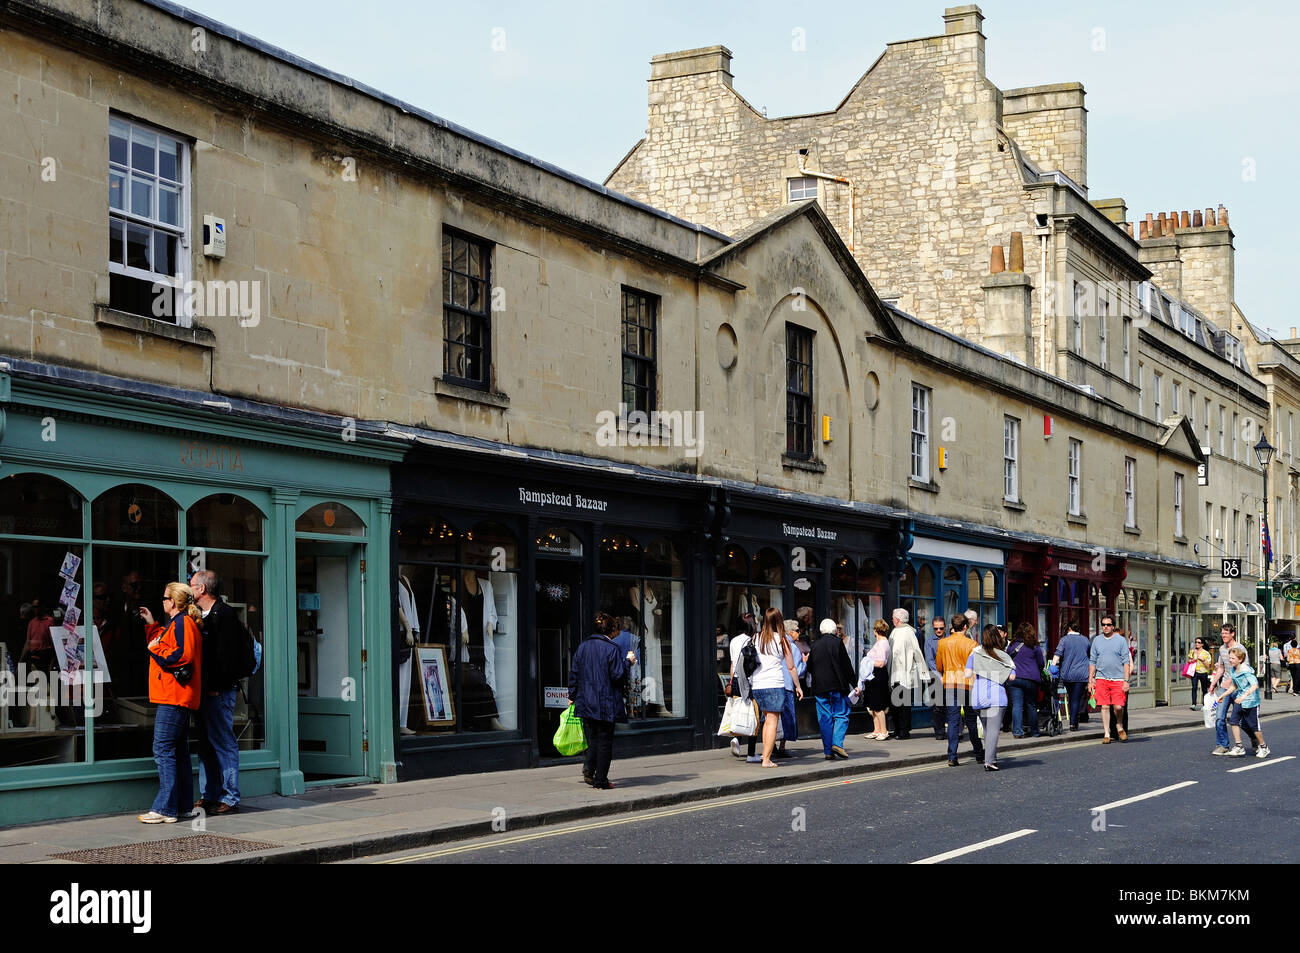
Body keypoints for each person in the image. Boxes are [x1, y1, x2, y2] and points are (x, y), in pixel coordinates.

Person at [136, 582, 203, 823]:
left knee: (163, 750)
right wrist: (152, 625)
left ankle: (165, 809)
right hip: (177, 696)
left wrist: (153, 647)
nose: (163, 601)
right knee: (178, 752)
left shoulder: (182, 622)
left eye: (164, 598)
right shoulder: (179, 623)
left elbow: (178, 655)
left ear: (173, 602)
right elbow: (167, 645)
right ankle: (182, 806)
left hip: (174, 696)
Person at [189, 570, 243, 816]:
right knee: (206, 745)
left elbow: (228, 659)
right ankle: (209, 794)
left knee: (223, 743)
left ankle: (230, 797)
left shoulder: (225, 615)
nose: (189, 590)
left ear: (202, 589)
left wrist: (215, 687)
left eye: (192, 585)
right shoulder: (201, 615)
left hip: (218, 692)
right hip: (204, 691)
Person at [568, 611, 633, 789]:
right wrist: (628, 662)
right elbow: (618, 677)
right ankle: (601, 780)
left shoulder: (582, 647)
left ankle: (589, 769)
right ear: (611, 630)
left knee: (593, 738)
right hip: (605, 702)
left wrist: (572, 696)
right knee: (605, 741)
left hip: (586, 701)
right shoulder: (612, 649)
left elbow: (574, 673)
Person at [749, 608, 804, 767]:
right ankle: (766, 759)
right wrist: (798, 686)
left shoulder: (756, 637)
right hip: (774, 684)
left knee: (767, 721)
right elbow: (791, 667)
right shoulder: (782, 640)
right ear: (779, 621)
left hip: (758, 685)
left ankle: (765, 754)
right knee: (772, 722)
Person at [936, 614, 983, 767]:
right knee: (971, 720)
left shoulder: (943, 643)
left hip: (950, 684)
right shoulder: (972, 644)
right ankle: (979, 754)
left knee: (953, 721)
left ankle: (952, 756)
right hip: (967, 684)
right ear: (965, 627)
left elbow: (939, 667)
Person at [966, 624, 1015, 771]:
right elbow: (1012, 677)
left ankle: (991, 758)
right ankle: (989, 762)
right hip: (996, 698)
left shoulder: (975, 653)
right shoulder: (1003, 655)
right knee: (993, 731)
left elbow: (967, 674)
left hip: (978, 697)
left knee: (987, 730)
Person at [807, 618, 854, 759]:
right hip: (837, 685)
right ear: (834, 630)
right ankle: (837, 744)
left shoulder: (814, 645)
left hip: (820, 687)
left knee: (825, 718)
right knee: (841, 714)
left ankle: (828, 751)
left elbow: (809, 667)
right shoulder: (838, 642)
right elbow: (846, 666)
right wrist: (855, 683)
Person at [1089, 615, 1132, 744]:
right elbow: (1092, 660)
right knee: (1105, 707)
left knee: (1118, 707)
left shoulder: (1120, 640)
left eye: (1108, 624)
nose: (1105, 627)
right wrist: (1090, 679)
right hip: (1101, 678)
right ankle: (1107, 733)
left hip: (1118, 679)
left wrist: (1126, 681)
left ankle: (1119, 725)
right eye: (1103, 624)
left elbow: (1126, 662)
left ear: (1113, 626)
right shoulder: (1096, 640)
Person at [888, 608, 928, 740]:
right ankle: (897, 729)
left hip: (905, 673)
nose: (892, 619)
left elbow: (917, 652)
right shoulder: (894, 631)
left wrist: (923, 673)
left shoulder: (909, 632)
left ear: (898, 619)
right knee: (895, 705)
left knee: (904, 705)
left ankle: (904, 731)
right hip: (894, 673)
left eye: (893, 617)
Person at [1222, 646, 1269, 759]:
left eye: (1233, 658)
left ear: (1240, 659)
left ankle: (1263, 747)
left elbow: (1255, 685)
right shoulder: (1233, 670)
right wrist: (1223, 695)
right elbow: (1234, 685)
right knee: (1233, 721)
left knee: (1254, 726)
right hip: (1240, 700)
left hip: (1251, 701)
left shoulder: (1246, 671)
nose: (1230, 660)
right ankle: (1239, 747)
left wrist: (1243, 696)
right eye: (1230, 658)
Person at [728, 618, 761, 763]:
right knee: (753, 715)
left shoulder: (734, 640)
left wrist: (731, 681)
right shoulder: (751, 641)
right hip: (749, 681)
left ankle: (736, 737)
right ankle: (751, 754)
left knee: (739, 711)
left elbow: (732, 663)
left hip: (735, 678)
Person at [1208, 624, 1243, 756]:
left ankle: (1255, 740)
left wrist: (1233, 680)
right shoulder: (1222, 649)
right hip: (1224, 688)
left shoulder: (1240, 649)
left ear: (1232, 634)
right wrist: (1213, 684)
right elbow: (1221, 668)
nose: (1223, 636)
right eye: (1222, 633)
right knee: (1219, 717)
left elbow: (1247, 670)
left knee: (1245, 720)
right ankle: (1223, 745)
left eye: (1226, 633)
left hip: (1239, 689)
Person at [1051, 619, 1090, 731]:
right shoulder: (1085, 640)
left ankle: (1073, 720)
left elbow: (1057, 655)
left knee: (1071, 697)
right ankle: (1073, 722)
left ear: (1068, 628)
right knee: (1076, 699)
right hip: (1082, 674)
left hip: (1067, 674)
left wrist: (1052, 668)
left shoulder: (1064, 640)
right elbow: (1090, 655)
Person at [776, 618, 807, 759]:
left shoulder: (777, 642)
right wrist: (805, 662)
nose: (799, 633)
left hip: (774, 684)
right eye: (797, 630)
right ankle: (781, 748)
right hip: (787, 686)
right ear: (790, 631)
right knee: (787, 718)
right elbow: (797, 670)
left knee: (773, 718)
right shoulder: (793, 647)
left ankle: (770, 747)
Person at [860, 618, 892, 740]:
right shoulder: (880, 643)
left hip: (878, 676)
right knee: (873, 705)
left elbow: (881, 663)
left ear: (875, 631)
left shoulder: (882, 643)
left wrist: (867, 661)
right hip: (874, 676)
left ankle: (883, 731)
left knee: (878, 705)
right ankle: (876, 730)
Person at [925, 616, 947, 740]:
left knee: (951, 705)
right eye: (936, 628)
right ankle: (939, 732)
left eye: (941, 628)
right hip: (935, 676)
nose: (938, 630)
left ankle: (956, 731)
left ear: (945, 627)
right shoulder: (929, 641)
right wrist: (940, 676)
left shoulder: (950, 639)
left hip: (949, 675)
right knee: (937, 706)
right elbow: (930, 660)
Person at [1186, 637, 1213, 709]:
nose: (1197, 644)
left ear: (1202, 644)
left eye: (1199, 642)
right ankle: (1194, 704)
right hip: (1194, 672)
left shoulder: (1206, 653)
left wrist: (1203, 660)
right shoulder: (1192, 651)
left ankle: (1204, 705)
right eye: (1196, 642)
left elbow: (1208, 666)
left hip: (1203, 672)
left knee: (1204, 689)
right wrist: (1192, 660)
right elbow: (1189, 661)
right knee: (1194, 687)